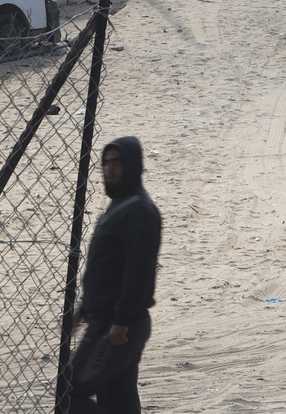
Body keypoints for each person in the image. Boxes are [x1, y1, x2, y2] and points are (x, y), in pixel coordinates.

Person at [68, 136, 163, 413]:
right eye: (106, 162)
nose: (110, 168)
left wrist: (121, 320)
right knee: (118, 403)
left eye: (118, 162)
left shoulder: (139, 210)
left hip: (115, 328)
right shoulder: (122, 204)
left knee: (70, 393)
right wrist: (86, 307)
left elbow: (139, 271)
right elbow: (109, 266)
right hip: (109, 320)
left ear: (133, 165)